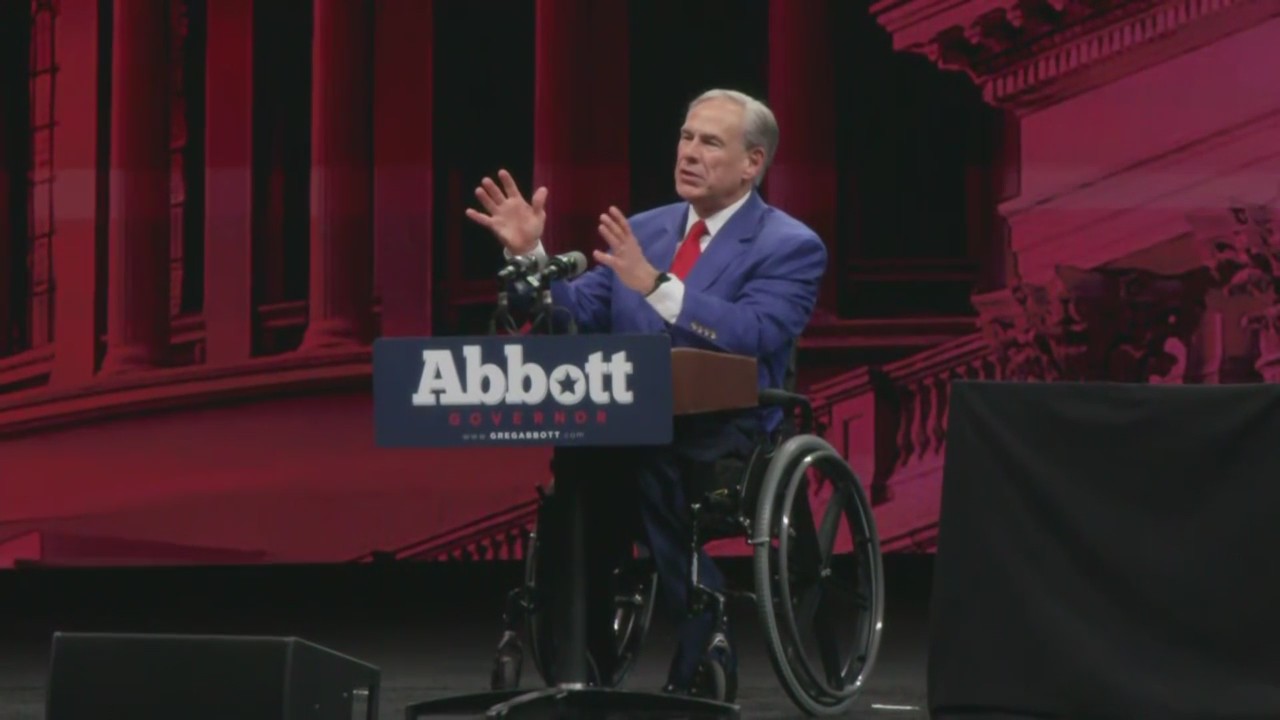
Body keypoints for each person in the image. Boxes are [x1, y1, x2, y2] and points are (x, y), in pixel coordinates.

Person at [466, 89, 828, 699]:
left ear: (752, 163)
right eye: (685, 137)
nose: (689, 153)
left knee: (637, 456)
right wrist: (530, 256)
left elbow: (760, 332)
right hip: (621, 426)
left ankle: (700, 632)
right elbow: (573, 313)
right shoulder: (643, 229)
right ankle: (581, 660)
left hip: (721, 433)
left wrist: (660, 288)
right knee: (579, 460)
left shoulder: (789, 245)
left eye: (710, 142)